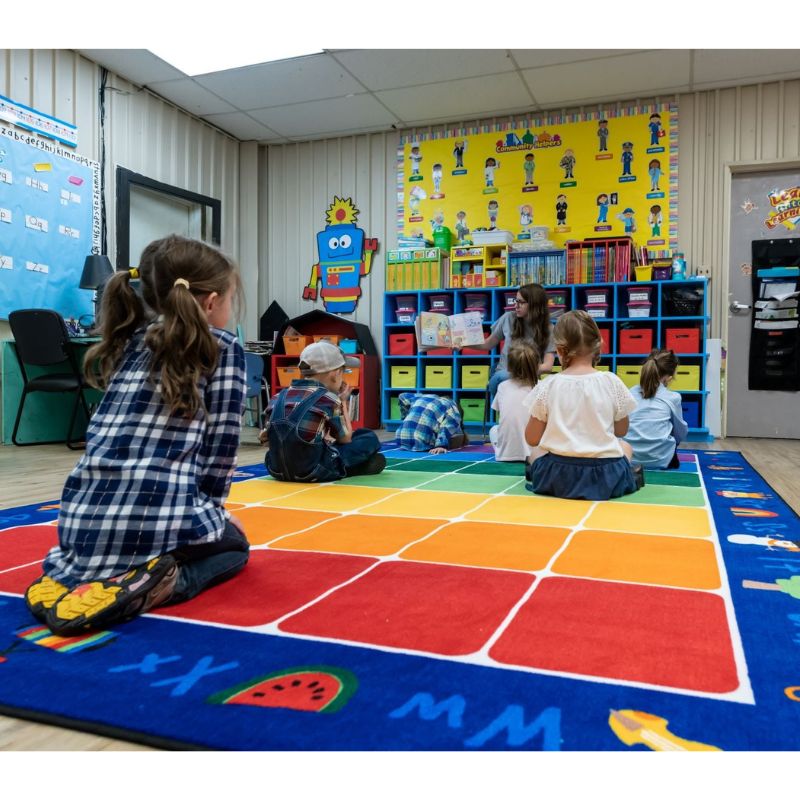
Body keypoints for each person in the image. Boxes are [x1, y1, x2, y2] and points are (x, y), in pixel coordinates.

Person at [25, 235, 251, 635]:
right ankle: (161, 583)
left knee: (134, 537)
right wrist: (214, 514)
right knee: (235, 547)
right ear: (211, 302)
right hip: (157, 519)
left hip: (79, 522)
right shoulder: (223, 348)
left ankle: (66, 578)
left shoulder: (130, 341)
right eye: (231, 300)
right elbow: (221, 451)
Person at [522, 310, 644, 501]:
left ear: (560, 350)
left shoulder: (548, 385)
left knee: (535, 452)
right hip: (605, 474)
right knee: (626, 446)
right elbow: (621, 430)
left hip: (558, 475)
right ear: (598, 346)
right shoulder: (612, 381)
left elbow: (532, 438)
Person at [263, 340, 385, 481]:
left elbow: (267, 440)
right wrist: (343, 401)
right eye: (343, 372)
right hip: (312, 470)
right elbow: (346, 438)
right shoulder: (329, 399)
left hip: (276, 469)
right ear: (335, 374)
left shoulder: (278, 397)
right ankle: (352, 468)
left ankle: (351, 467)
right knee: (367, 437)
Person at [462, 282, 555, 396]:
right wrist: (462, 344)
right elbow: (487, 344)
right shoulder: (508, 318)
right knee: (505, 377)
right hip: (502, 377)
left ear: (535, 305)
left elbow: (547, 366)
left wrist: (521, 374)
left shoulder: (548, 328)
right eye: (516, 301)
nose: (516, 306)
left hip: (529, 381)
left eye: (521, 302)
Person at [624, 349, 689, 470]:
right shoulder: (673, 397)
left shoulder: (629, 392)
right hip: (660, 460)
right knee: (675, 431)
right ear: (669, 378)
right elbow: (681, 433)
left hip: (628, 458)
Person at [489, 340, 540, 462]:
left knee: (494, 430)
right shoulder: (541, 387)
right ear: (537, 365)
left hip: (504, 456)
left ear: (509, 367)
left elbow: (501, 415)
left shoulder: (502, 386)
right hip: (534, 455)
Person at [395, 392, 469, 455]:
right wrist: (441, 446)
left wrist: (405, 416)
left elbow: (402, 396)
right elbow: (446, 427)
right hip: (421, 442)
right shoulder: (452, 407)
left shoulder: (423, 396)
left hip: (400, 438)